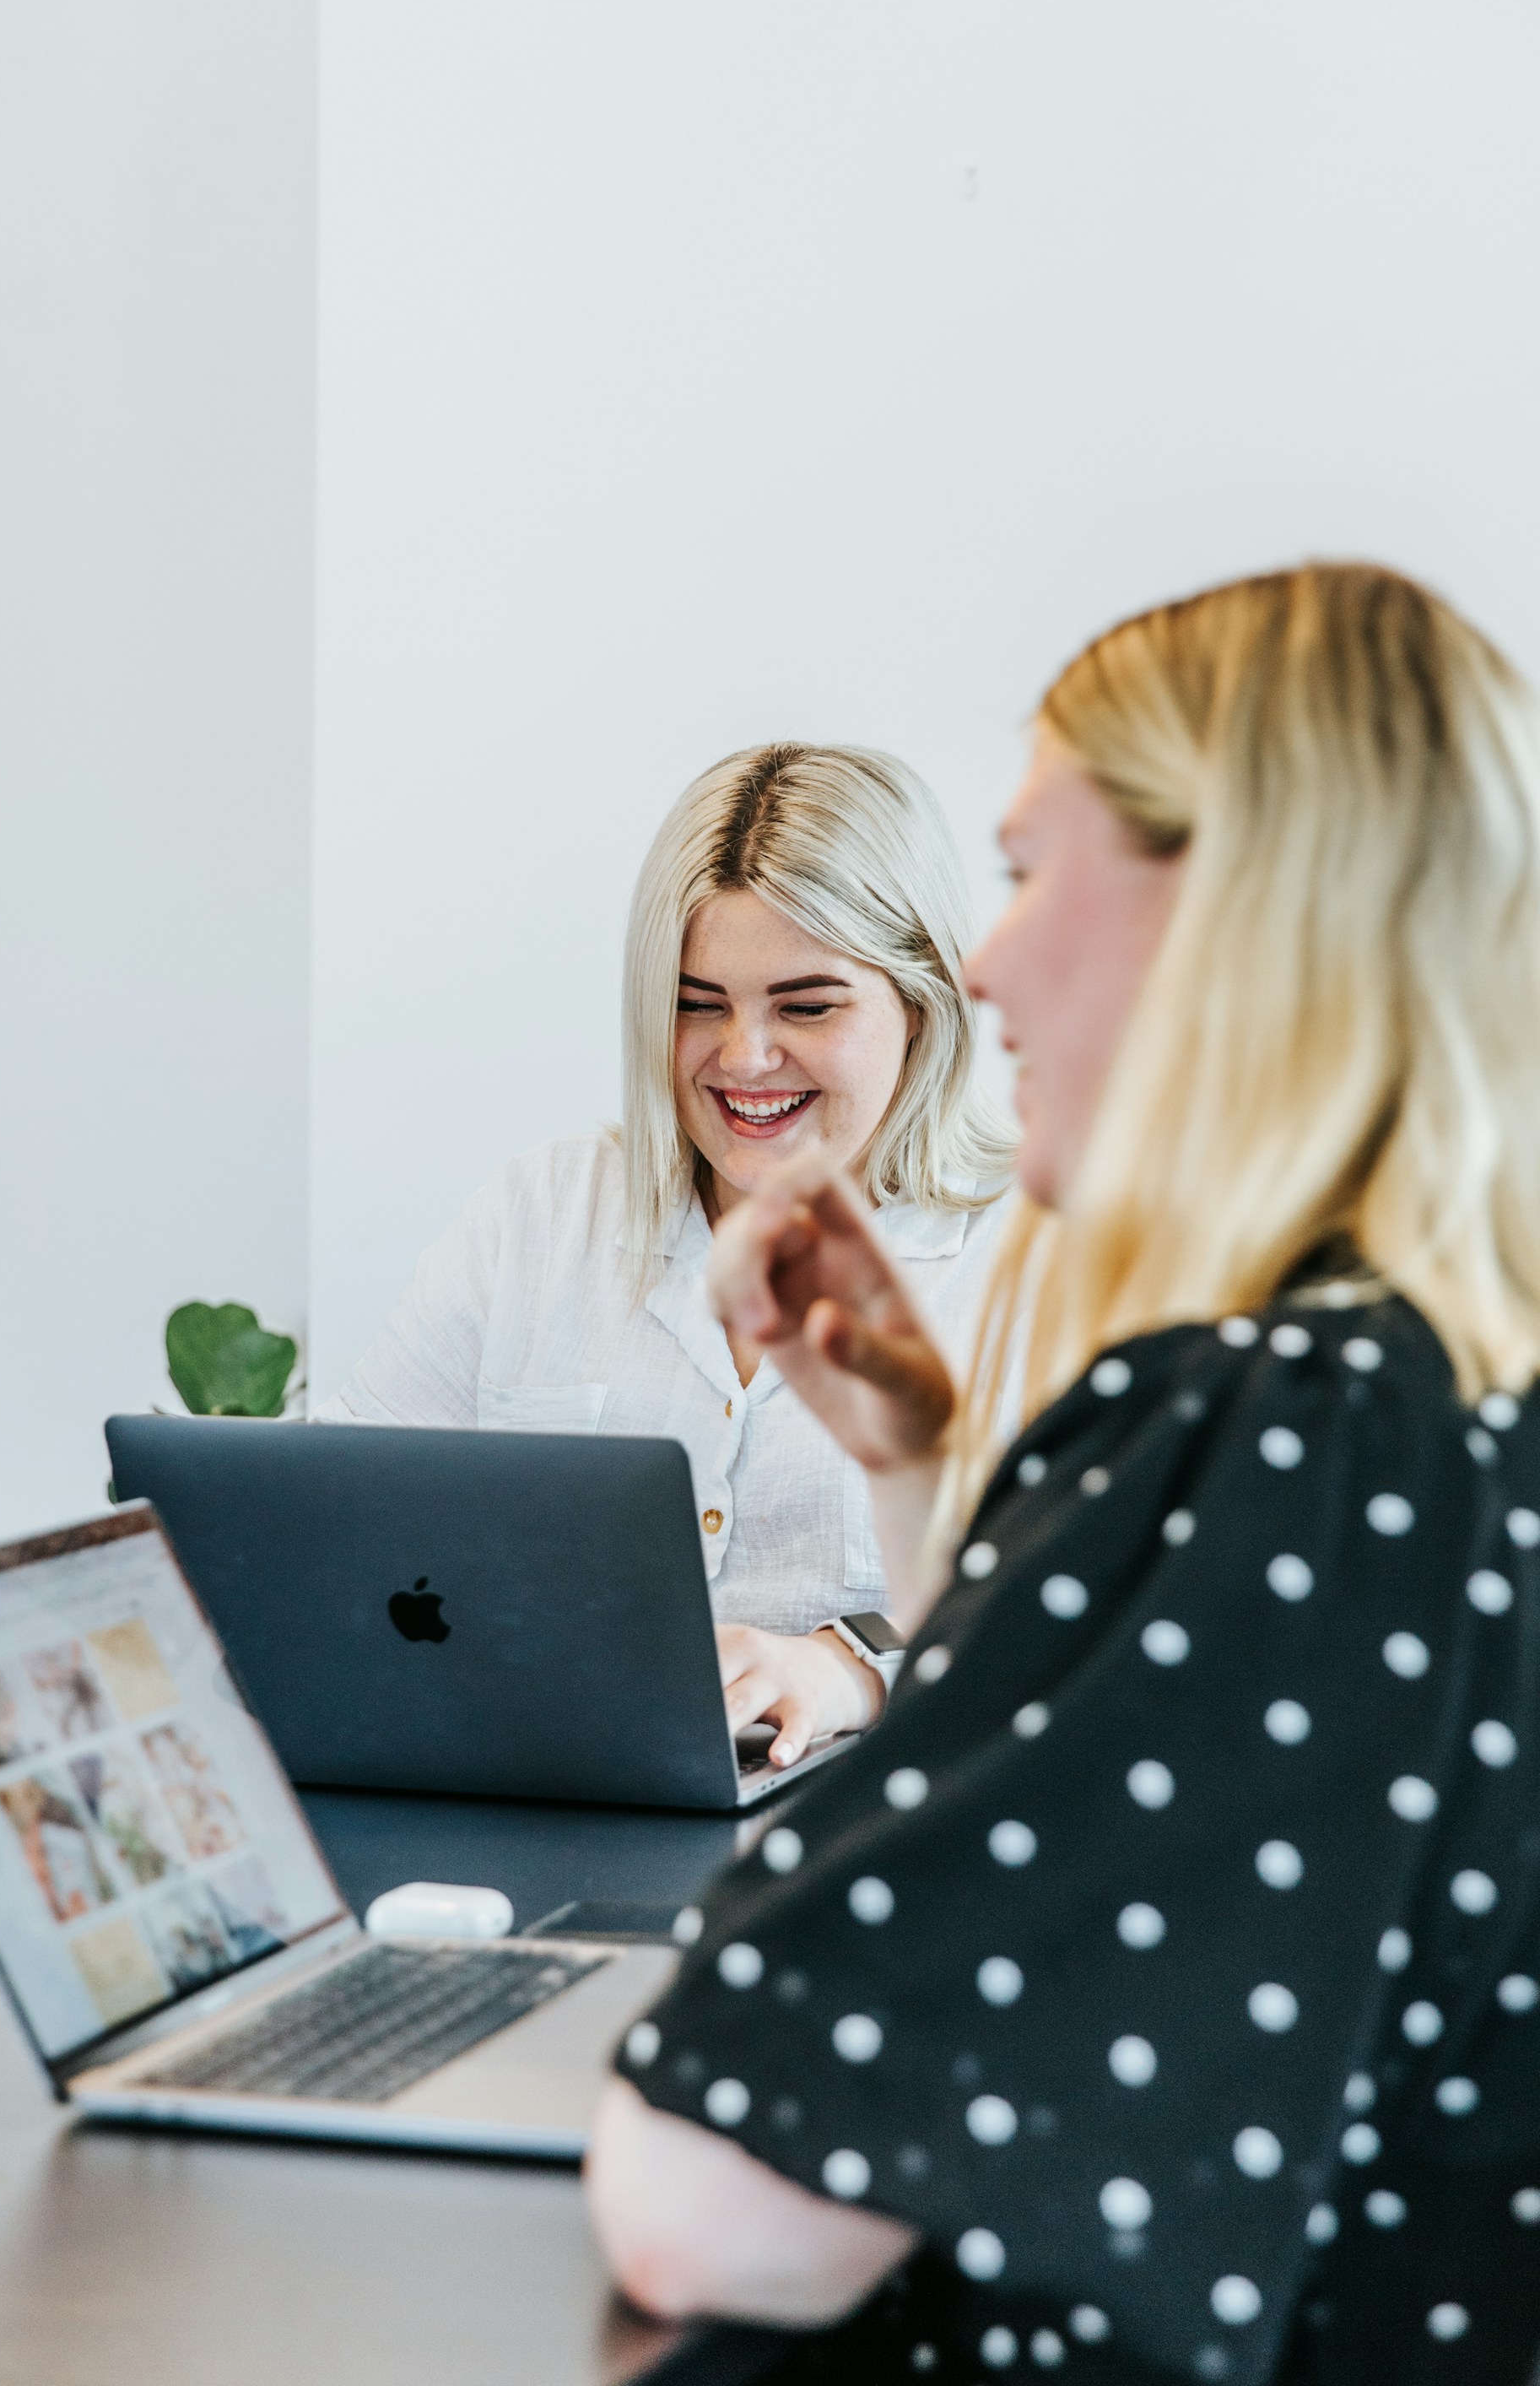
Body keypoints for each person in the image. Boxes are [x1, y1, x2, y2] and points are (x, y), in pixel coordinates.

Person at [586, 565, 1540, 2383]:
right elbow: (1182, 1811)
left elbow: (718, 2207)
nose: (982, 962)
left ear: (1241, 906)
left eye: (1028, 873)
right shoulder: (1448, 1394)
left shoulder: (1282, 1426)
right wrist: (925, 1464)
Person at [318, 743, 1009, 1766]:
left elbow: (1095, 1627)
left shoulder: (1036, 1260)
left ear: (923, 1001)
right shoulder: (538, 1218)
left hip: (859, 1842)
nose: (743, 1057)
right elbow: (337, 1523)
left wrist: (855, 1666)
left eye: (806, 1005)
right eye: (697, 1003)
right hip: (532, 1806)